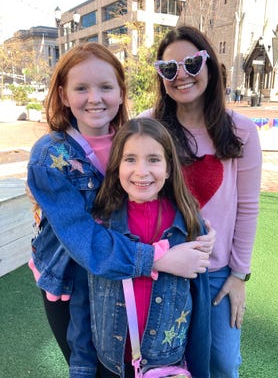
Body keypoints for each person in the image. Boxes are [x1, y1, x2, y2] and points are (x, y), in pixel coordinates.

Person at [26, 42, 214, 378]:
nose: (94, 97)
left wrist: (199, 231)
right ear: (64, 95)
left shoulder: (131, 141)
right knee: (89, 364)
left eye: (105, 86)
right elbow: (84, 240)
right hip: (70, 280)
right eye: (81, 87)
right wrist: (158, 258)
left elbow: (170, 193)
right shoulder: (49, 155)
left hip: (123, 273)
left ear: (122, 92)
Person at [142, 25, 262, 377]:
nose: (181, 76)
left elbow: (248, 207)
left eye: (192, 63)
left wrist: (239, 274)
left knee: (222, 362)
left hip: (216, 274)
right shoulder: (147, 127)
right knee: (165, 365)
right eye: (169, 69)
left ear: (209, 65)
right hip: (162, 269)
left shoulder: (240, 130)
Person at [89, 117, 212, 377]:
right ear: (117, 166)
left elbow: (200, 309)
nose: (141, 171)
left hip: (167, 365)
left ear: (168, 168)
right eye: (130, 159)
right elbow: (83, 298)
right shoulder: (100, 224)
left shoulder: (189, 224)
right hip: (111, 364)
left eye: (154, 159)